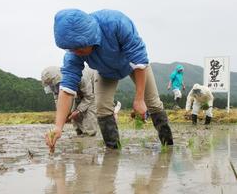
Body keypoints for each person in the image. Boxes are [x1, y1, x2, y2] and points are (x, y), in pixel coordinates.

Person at [45, 9, 174, 151]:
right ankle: (113, 152)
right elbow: (67, 89)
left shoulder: (115, 23)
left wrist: (139, 99)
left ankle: (168, 147)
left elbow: (139, 60)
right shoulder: (74, 54)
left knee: (153, 103)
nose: (76, 52)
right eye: (71, 49)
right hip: (105, 72)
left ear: (90, 36)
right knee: (102, 108)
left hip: (134, 65)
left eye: (79, 48)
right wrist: (58, 127)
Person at [41, 66, 97, 136]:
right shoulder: (54, 85)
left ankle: (89, 134)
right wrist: (63, 116)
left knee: (89, 110)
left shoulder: (81, 76)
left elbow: (89, 97)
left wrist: (78, 110)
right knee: (73, 112)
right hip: (77, 91)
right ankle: (79, 132)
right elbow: (58, 99)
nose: (55, 87)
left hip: (93, 85)